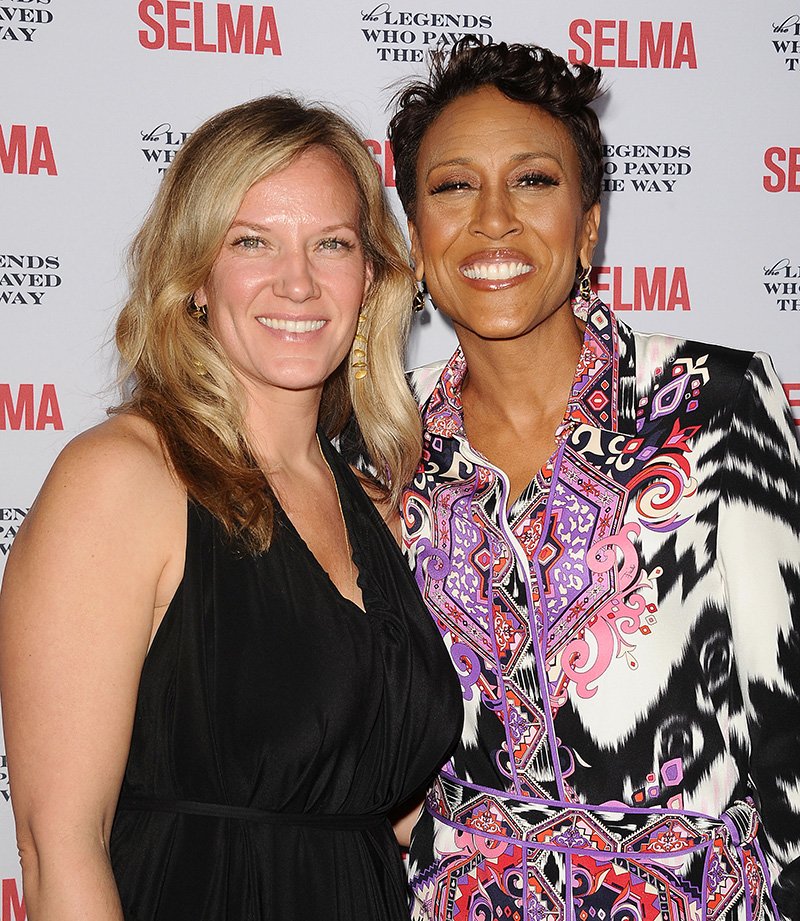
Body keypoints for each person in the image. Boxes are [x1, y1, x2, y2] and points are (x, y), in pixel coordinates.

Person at [0, 95, 462, 921]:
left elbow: (378, 803)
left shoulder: (376, 505)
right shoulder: (122, 480)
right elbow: (57, 843)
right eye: (253, 241)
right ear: (196, 278)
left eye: (332, 243)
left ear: (370, 277)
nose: (298, 280)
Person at [387, 38, 800, 921]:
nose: (493, 219)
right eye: (453, 186)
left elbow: (791, 727)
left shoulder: (713, 405)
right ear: (415, 238)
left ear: (589, 225)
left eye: (532, 180)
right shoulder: (383, 446)